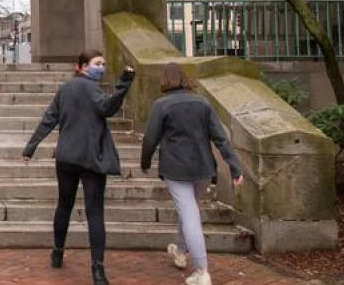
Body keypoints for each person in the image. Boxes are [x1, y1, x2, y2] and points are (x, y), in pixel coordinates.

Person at [23, 50, 135, 285]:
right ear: (83, 66)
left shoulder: (65, 89)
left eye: (103, 63)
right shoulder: (92, 89)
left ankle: (57, 251)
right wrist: (124, 83)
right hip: (92, 158)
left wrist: (31, 146)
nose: (102, 67)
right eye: (98, 64)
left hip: (66, 158)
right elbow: (107, 108)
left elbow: (49, 119)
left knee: (64, 205)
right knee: (95, 213)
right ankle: (98, 269)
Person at [140, 63, 245, 285]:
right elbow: (220, 138)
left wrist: (145, 161)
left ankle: (202, 270)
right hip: (202, 168)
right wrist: (235, 167)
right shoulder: (202, 102)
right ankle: (180, 251)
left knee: (189, 215)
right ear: (184, 79)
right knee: (189, 209)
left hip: (176, 168)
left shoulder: (161, 105)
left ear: (165, 80)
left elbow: (150, 138)